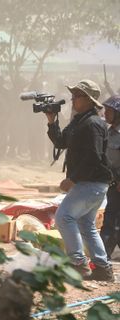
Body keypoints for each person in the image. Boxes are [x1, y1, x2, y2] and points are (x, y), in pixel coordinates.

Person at [45, 80, 114, 281]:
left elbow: (93, 156)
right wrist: (51, 121)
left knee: (64, 217)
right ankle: (102, 268)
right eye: (73, 95)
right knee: (86, 224)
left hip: (90, 183)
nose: (73, 99)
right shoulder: (80, 121)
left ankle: (78, 264)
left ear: (89, 100)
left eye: (77, 95)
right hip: (94, 184)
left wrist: (72, 179)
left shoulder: (92, 123)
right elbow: (60, 141)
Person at [100, 95, 120, 259]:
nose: (105, 113)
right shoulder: (108, 132)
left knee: (112, 222)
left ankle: (102, 257)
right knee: (112, 219)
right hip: (113, 183)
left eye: (109, 110)